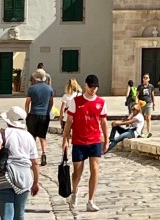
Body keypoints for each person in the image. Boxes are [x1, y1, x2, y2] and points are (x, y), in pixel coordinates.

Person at [61, 73, 109, 212]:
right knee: (78, 172)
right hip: (79, 141)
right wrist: (65, 139)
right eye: (91, 87)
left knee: (95, 169)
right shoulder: (75, 102)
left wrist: (106, 139)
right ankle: (74, 193)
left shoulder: (101, 102)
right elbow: (69, 121)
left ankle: (90, 200)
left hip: (95, 140)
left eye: (95, 88)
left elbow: (103, 122)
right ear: (86, 85)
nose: (93, 90)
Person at [25, 69, 55, 166]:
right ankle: (44, 153)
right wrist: (48, 111)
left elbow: (27, 102)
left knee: (32, 136)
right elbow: (51, 102)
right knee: (43, 137)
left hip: (33, 114)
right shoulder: (49, 89)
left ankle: (32, 155)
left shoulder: (31, 89)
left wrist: (27, 113)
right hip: (44, 115)